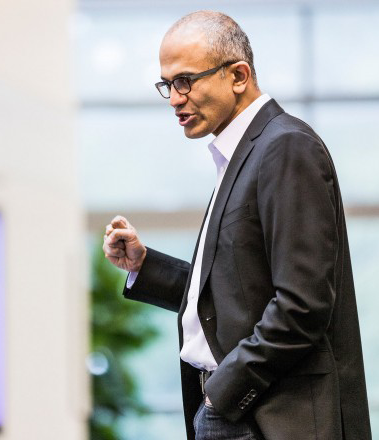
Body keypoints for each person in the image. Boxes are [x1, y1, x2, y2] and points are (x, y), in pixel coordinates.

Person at [102, 10, 371, 440]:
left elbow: (302, 307)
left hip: (265, 417)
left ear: (238, 76)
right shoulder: (244, 152)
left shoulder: (285, 147)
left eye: (185, 81)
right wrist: (143, 264)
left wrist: (222, 394)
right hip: (240, 412)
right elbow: (234, 296)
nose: (174, 99)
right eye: (167, 85)